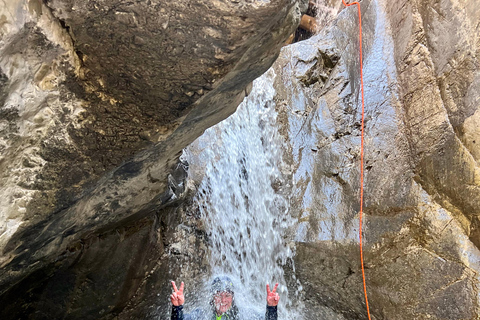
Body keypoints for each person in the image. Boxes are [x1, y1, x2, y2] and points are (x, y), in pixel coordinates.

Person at [170, 276, 280, 320]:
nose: (223, 300)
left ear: (233, 298)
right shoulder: (201, 314)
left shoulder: (243, 315)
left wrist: (271, 308)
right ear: (212, 297)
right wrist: (177, 307)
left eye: (227, 295)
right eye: (218, 295)